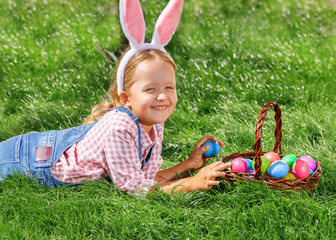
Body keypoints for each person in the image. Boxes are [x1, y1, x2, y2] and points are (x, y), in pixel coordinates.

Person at [0, 0, 231, 194]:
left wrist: (190, 165)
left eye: (169, 87)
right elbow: (136, 190)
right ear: (126, 98)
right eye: (150, 89)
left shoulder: (153, 122)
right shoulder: (120, 128)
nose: (162, 96)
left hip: (40, 151)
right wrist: (192, 183)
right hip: (25, 161)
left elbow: (148, 180)